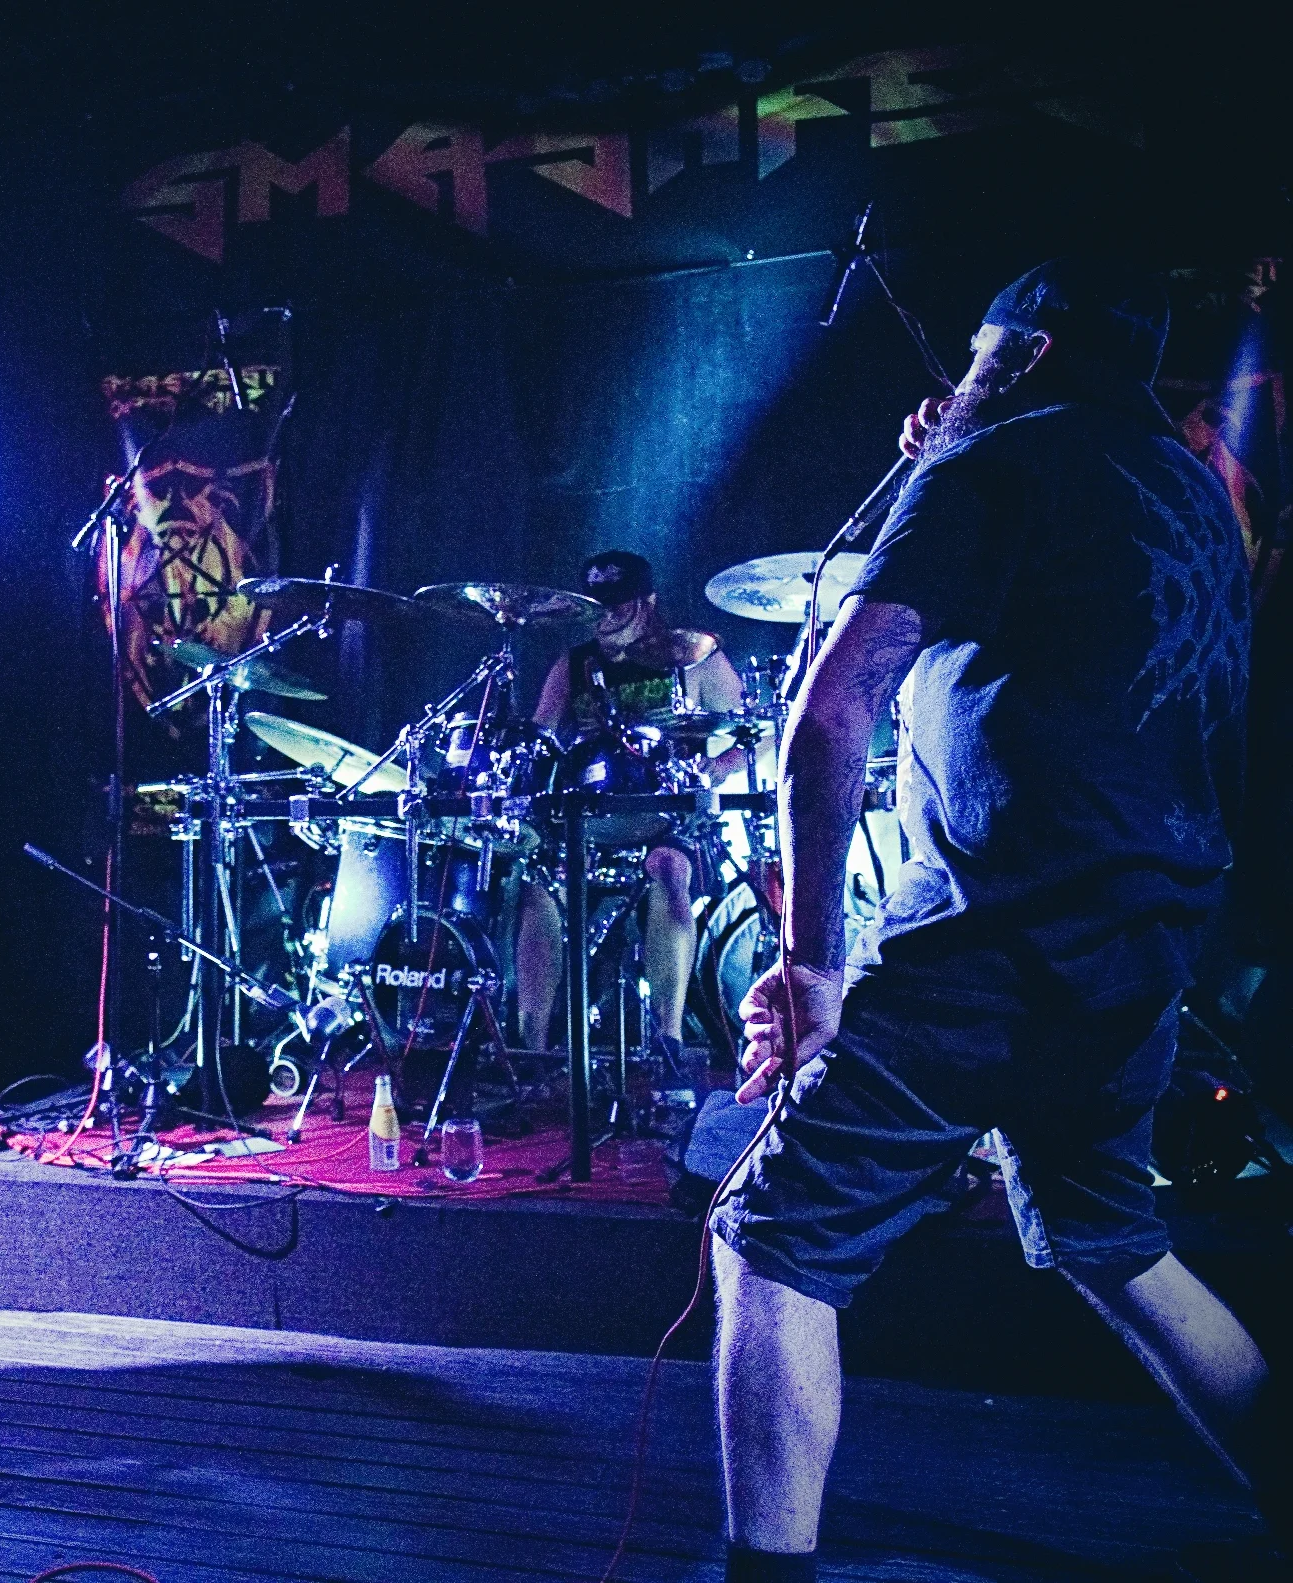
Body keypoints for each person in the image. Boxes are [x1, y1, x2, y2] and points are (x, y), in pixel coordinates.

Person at [709, 260, 1281, 1580]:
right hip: (1140, 951)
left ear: (1025, 354)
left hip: (991, 949)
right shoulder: (1190, 495)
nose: (949, 382)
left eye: (974, 354)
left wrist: (810, 966)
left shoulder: (994, 466)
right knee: (1115, 1242)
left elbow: (830, 715)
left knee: (771, 1240)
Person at [514, 550, 742, 1063]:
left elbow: (755, 731)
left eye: (618, 603)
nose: (606, 614)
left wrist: (714, 769)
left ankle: (668, 1041)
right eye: (596, 603)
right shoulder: (573, 665)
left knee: (668, 867)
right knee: (537, 882)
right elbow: (539, 739)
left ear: (648, 602)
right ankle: (533, 1050)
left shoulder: (692, 654)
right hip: (591, 813)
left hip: (669, 812)